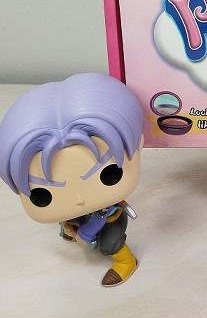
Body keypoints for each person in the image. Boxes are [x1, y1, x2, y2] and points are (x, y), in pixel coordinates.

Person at [0, 72, 144, 287]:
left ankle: (126, 261)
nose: (79, 198)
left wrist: (88, 230)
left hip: (110, 219)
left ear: (139, 144)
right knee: (70, 220)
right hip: (84, 218)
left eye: (109, 174)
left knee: (110, 242)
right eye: (42, 194)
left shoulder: (104, 207)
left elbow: (97, 221)